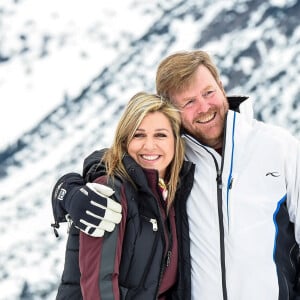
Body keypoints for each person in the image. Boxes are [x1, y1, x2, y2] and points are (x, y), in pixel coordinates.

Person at [52, 50, 300, 300]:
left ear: (221, 87)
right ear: (174, 113)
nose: (204, 107)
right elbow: (121, 162)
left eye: (208, 93)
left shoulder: (279, 148)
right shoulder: (176, 157)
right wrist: (68, 191)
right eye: (188, 102)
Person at [52, 92, 195, 300]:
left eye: (160, 135)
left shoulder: (172, 196)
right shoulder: (109, 193)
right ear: (124, 141)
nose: (149, 145)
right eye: (139, 135)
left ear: (175, 142)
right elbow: (99, 288)